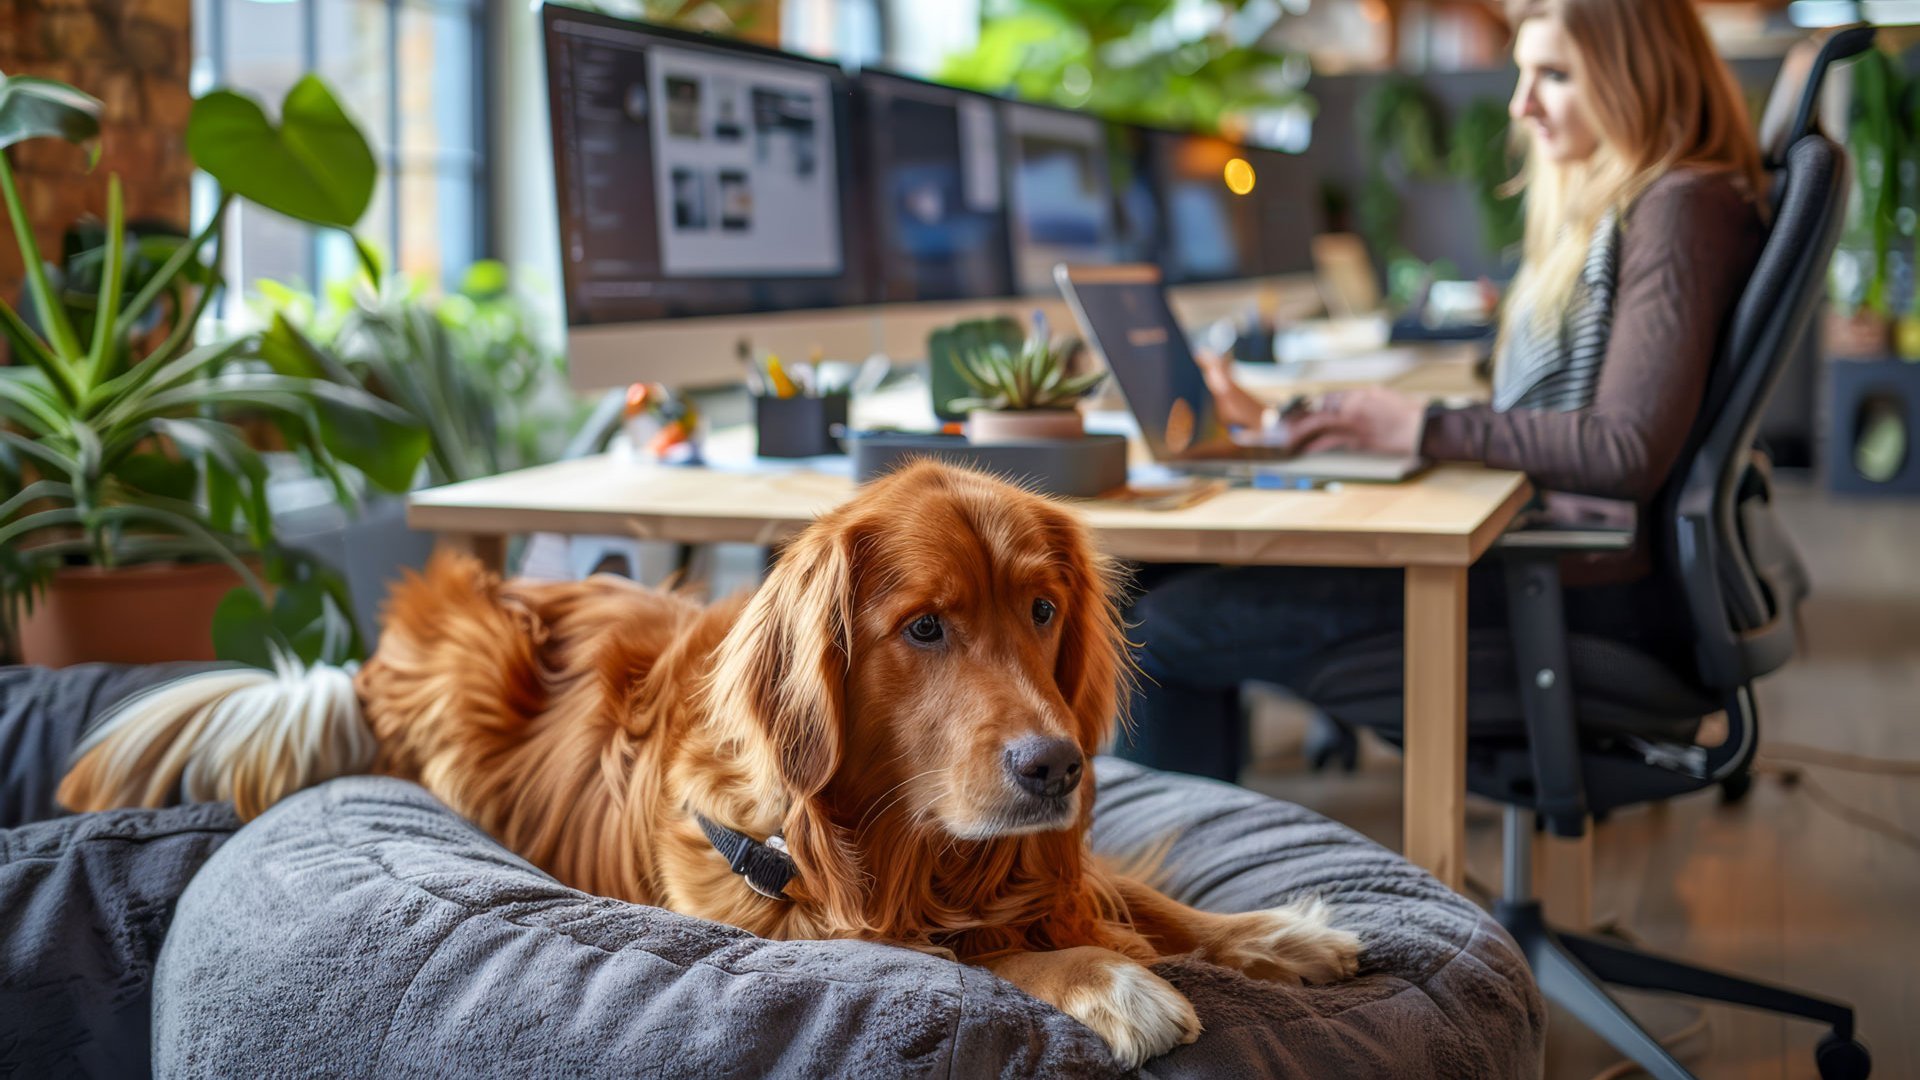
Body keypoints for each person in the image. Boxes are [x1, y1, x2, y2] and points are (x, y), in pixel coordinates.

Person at [1119, 0, 1769, 781]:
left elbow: (1623, 447)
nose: (1520, 105)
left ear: (1641, 77)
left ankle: (1176, 887)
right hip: (1550, 559)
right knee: (1157, 579)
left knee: (1151, 628)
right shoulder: (1632, 207)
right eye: (1523, 73)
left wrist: (1420, 427)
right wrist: (1328, 419)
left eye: (1554, 76)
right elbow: (1547, 409)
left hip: (1575, 589)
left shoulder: (1677, 207)